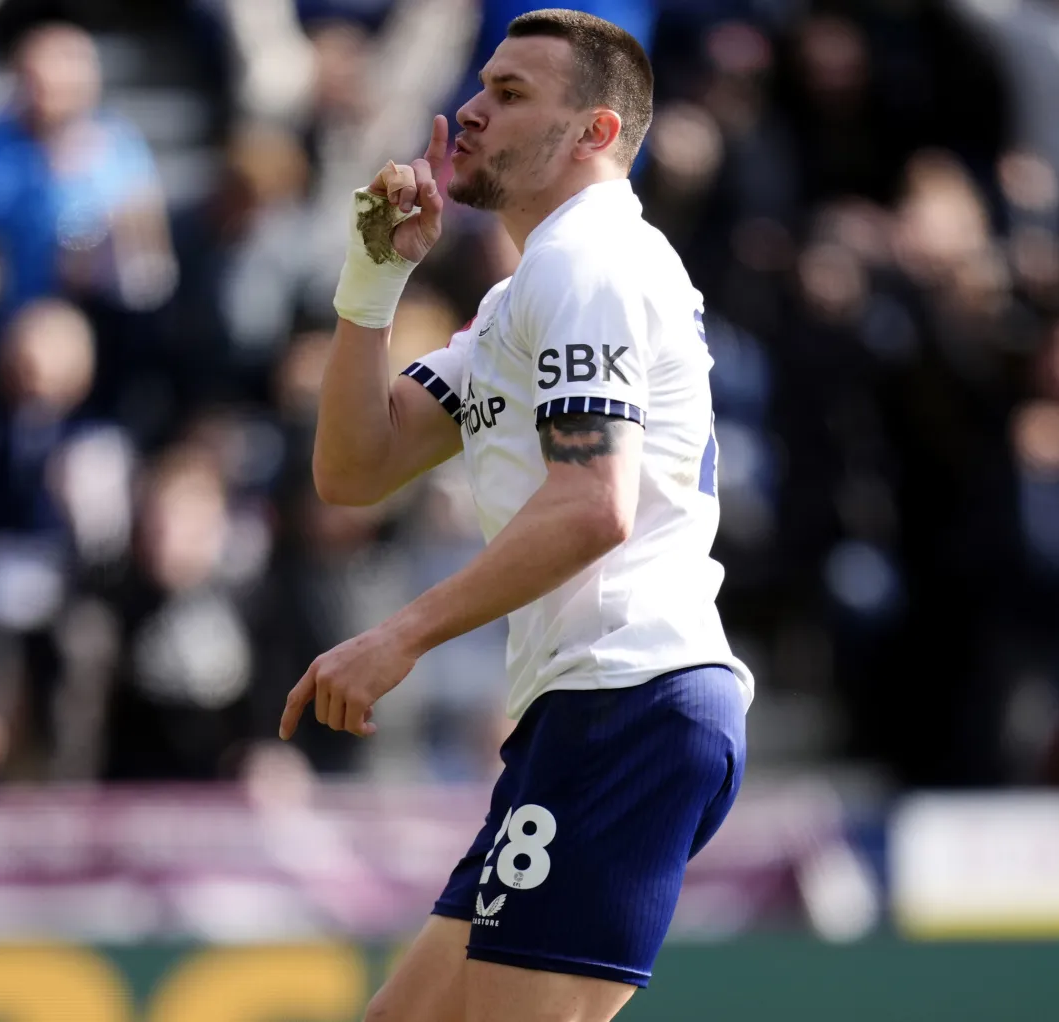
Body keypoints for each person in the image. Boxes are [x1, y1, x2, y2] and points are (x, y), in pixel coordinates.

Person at [277, 9, 752, 1021]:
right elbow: (355, 468)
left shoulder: (592, 263)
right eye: (481, 86)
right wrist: (373, 277)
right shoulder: (517, 301)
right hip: (589, 705)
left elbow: (592, 505)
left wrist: (398, 633)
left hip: (626, 693)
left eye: (510, 94)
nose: (470, 110)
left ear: (596, 133)